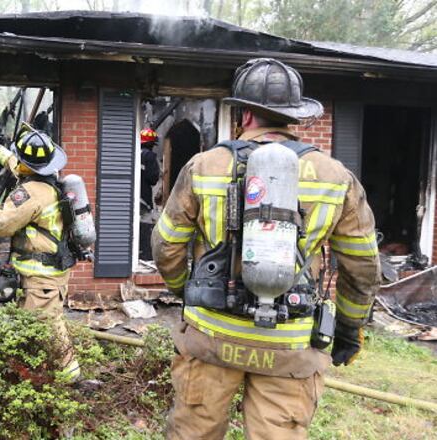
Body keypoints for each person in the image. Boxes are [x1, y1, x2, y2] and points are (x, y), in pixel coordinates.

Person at [153, 58, 381, 439]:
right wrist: (348, 328)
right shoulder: (336, 177)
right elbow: (363, 267)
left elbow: (166, 247)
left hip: (211, 337)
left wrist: (189, 293)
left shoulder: (204, 166)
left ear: (244, 114)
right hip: (289, 345)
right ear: (294, 118)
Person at [0, 126, 80, 381]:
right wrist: (0, 153)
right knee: (44, 323)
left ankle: (67, 379)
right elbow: (20, 165)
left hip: (40, 278)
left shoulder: (30, 194)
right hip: (50, 272)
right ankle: (41, 376)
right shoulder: (49, 180)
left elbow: (0, 225)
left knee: (45, 327)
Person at [139, 127, 161, 260]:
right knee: (146, 225)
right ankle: (145, 255)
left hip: (132, 196)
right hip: (144, 198)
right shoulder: (150, 156)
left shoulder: (133, 153)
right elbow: (153, 179)